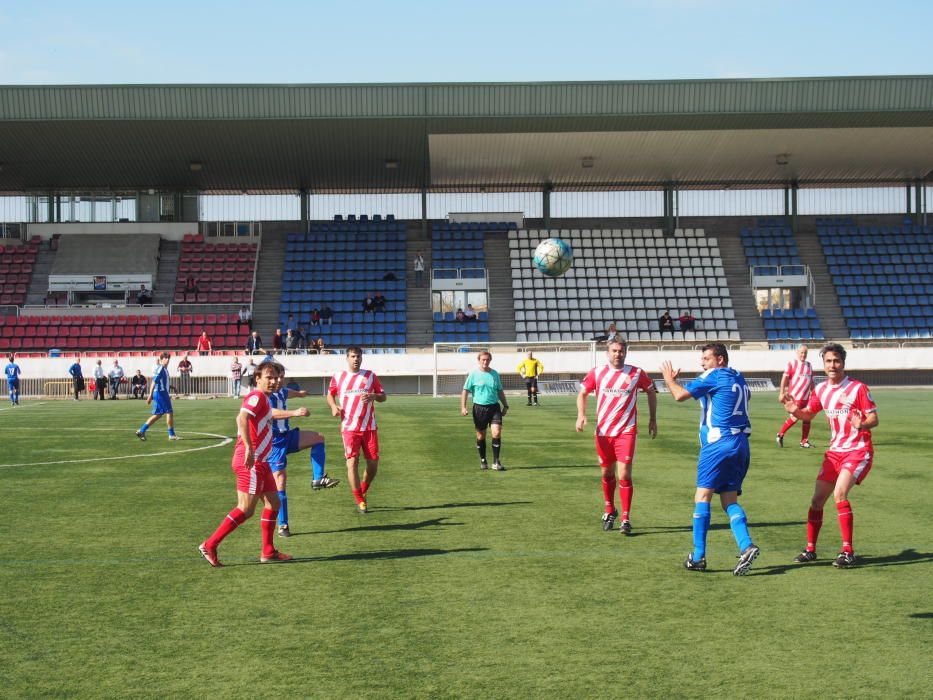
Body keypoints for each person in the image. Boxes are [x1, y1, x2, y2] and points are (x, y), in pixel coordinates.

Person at [660, 343, 760, 575]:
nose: (702, 363)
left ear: (720, 360)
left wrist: (668, 380)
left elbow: (679, 395)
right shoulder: (739, 377)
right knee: (729, 500)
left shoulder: (713, 376)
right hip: (741, 444)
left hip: (718, 444)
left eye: (706, 358)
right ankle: (746, 546)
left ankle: (697, 556)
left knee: (702, 497)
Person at [783, 343, 879, 569]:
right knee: (817, 500)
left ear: (843, 363)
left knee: (839, 494)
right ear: (823, 364)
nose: (832, 365)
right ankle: (810, 549)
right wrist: (794, 410)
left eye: (836, 361)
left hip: (857, 450)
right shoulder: (821, 390)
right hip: (834, 452)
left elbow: (874, 419)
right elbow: (808, 413)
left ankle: (847, 551)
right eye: (828, 361)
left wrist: (862, 423)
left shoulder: (858, 388)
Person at [198, 360, 293, 567]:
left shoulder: (265, 400)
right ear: (257, 378)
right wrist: (249, 447)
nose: (274, 381)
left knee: (274, 503)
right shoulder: (257, 396)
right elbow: (241, 419)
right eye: (269, 377)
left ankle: (268, 551)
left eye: (277, 377)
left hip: (262, 461)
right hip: (250, 460)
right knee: (245, 509)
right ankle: (210, 544)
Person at [577, 338, 657, 534]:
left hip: (626, 431)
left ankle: (626, 518)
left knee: (624, 474)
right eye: (614, 351)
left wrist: (653, 419)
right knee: (606, 473)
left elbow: (651, 391)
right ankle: (609, 509)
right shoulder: (598, 372)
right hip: (604, 432)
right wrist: (581, 415)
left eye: (621, 351)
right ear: (607, 352)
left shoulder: (636, 372)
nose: (617, 354)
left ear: (626, 352)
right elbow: (582, 393)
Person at [267, 367, 339, 537]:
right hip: (274, 442)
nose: (278, 380)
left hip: (287, 436)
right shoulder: (265, 395)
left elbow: (288, 392)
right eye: (276, 377)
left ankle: (318, 478)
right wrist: (295, 412)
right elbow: (271, 413)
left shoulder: (282, 391)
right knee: (280, 480)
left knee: (318, 438)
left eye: (281, 377)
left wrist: (300, 394)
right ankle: (283, 525)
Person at [326, 346, 387, 514]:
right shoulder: (339, 376)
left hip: (369, 427)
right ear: (347, 358)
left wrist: (374, 396)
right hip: (349, 428)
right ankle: (360, 500)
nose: (356, 359)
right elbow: (330, 394)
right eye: (353, 356)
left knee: (373, 464)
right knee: (352, 463)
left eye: (358, 356)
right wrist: (333, 406)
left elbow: (383, 396)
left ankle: (363, 489)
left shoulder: (370, 376)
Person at [460, 350, 509, 471]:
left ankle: (496, 462)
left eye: (487, 360)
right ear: (479, 360)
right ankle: (483, 460)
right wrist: (463, 407)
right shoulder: (473, 374)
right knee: (481, 435)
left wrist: (505, 405)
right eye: (483, 359)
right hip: (479, 409)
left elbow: (499, 391)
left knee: (496, 432)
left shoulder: (495, 374)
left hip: (494, 407)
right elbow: (465, 390)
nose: (485, 362)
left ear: (490, 360)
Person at [776, 345, 815, 449]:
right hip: (795, 397)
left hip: (806, 398)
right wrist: (781, 392)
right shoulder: (792, 364)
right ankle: (780, 434)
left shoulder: (809, 365)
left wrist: (814, 394)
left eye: (805, 353)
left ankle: (804, 441)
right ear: (797, 353)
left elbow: (810, 381)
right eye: (801, 352)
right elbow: (784, 379)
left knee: (807, 418)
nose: (803, 355)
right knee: (796, 417)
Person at [135, 352, 180, 441]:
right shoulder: (160, 369)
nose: (167, 360)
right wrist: (149, 395)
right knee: (169, 412)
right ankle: (171, 434)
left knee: (158, 415)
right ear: (161, 360)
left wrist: (172, 387)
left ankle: (141, 430)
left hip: (161, 393)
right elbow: (153, 382)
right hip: (161, 394)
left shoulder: (164, 369)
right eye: (165, 358)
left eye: (168, 358)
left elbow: (162, 383)